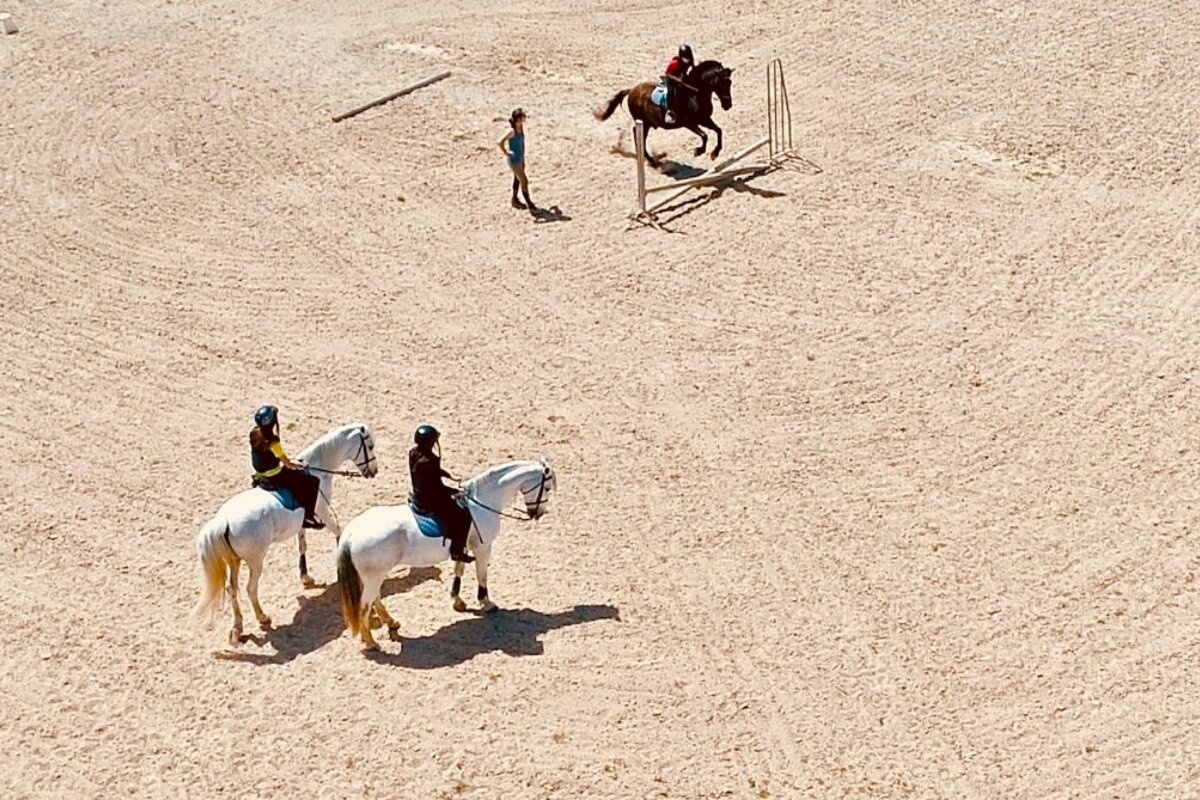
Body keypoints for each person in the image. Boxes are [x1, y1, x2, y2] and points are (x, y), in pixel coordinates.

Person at [249, 405, 323, 530]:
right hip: (275, 476)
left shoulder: (254, 434)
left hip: (260, 473)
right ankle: (308, 516)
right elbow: (287, 464)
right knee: (313, 481)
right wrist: (298, 464)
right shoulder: (273, 441)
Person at [409, 425, 475, 563]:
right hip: (431, 500)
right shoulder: (430, 461)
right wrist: (455, 492)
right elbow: (437, 487)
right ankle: (456, 551)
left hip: (418, 495)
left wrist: (445, 473)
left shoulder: (414, 453)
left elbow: (428, 474)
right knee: (463, 514)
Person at [499, 108, 536, 212]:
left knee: (517, 179)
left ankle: (514, 199)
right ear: (517, 119)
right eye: (522, 118)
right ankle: (530, 204)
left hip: (520, 159)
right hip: (514, 161)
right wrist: (506, 152)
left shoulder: (521, 128)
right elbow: (500, 142)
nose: (524, 119)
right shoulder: (512, 131)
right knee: (524, 181)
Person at [663, 44, 695, 124]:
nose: (687, 60)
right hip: (671, 80)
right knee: (672, 92)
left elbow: (692, 68)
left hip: (682, 78)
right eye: (685, 58)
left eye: (688, 57)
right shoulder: (675, 63)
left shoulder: (690, 61)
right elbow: (668, 74)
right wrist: (677, 79)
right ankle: (670, 112)